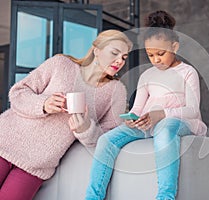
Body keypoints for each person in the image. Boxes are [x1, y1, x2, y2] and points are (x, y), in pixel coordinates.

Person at [85, 10, 207, 200]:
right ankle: (93, 197)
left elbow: (192, 110)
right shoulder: (147, 75)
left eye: (161, 53)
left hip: (178, 122)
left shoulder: (187, 72)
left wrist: (162, 114)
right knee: (106, 141)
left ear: (174, 46)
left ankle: (165, 196)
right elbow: (137, 108)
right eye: (150, 55)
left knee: (165, 128)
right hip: (148, 124)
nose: (156, 59)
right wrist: (132, 119)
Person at [0, 29, 132, 200]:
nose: (119, 61)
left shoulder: (116, 91)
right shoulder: (60, 64)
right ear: (97, 50)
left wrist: (86, 129)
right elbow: (18, 93)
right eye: (115, 53)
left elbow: (110, 137)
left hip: (36, 166)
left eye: (124, 57)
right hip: (4, 142)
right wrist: (44, 104)